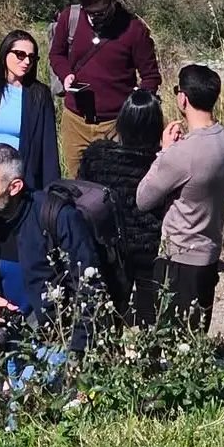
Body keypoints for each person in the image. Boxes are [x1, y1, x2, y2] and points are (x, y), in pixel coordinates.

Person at [137, 64, 224, 333]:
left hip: (179, 257)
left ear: (183, 98)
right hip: (208, 252)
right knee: (195, 337)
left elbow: (144, 198)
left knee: (169, 342)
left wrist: (165, 153)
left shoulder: (183, 153)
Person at [0, 143, 99, 342]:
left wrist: (77, 351)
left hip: (54, 338)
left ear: (15, 187)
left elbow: (88, 286)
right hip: (6, 335)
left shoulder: (58, 218)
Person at [48, 0, 161, 178]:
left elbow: (151, 77)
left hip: (116, 125)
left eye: (99, 13)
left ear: (113, 1)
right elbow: (56, 54)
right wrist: (65, 75)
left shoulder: (134, 30)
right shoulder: (69, 18)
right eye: (88, 12)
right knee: (78, 186)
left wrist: (135, 109)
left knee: (114, 187)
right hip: (75, 121)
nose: (93, 18)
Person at [77, 89, 165, 324]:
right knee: (149, 311)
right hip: (148, 245)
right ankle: (150, 356)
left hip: (110, 244)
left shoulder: (98, 155)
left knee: (109, 311)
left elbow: (82, 195)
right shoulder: (160, 161)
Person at [0, 30, 60, 191]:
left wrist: (51, 193)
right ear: (4, 54)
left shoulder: (39, 95)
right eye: (20, 54)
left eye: (32, 57)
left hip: (24, 181)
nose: (26, 61)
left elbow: (48, 150)